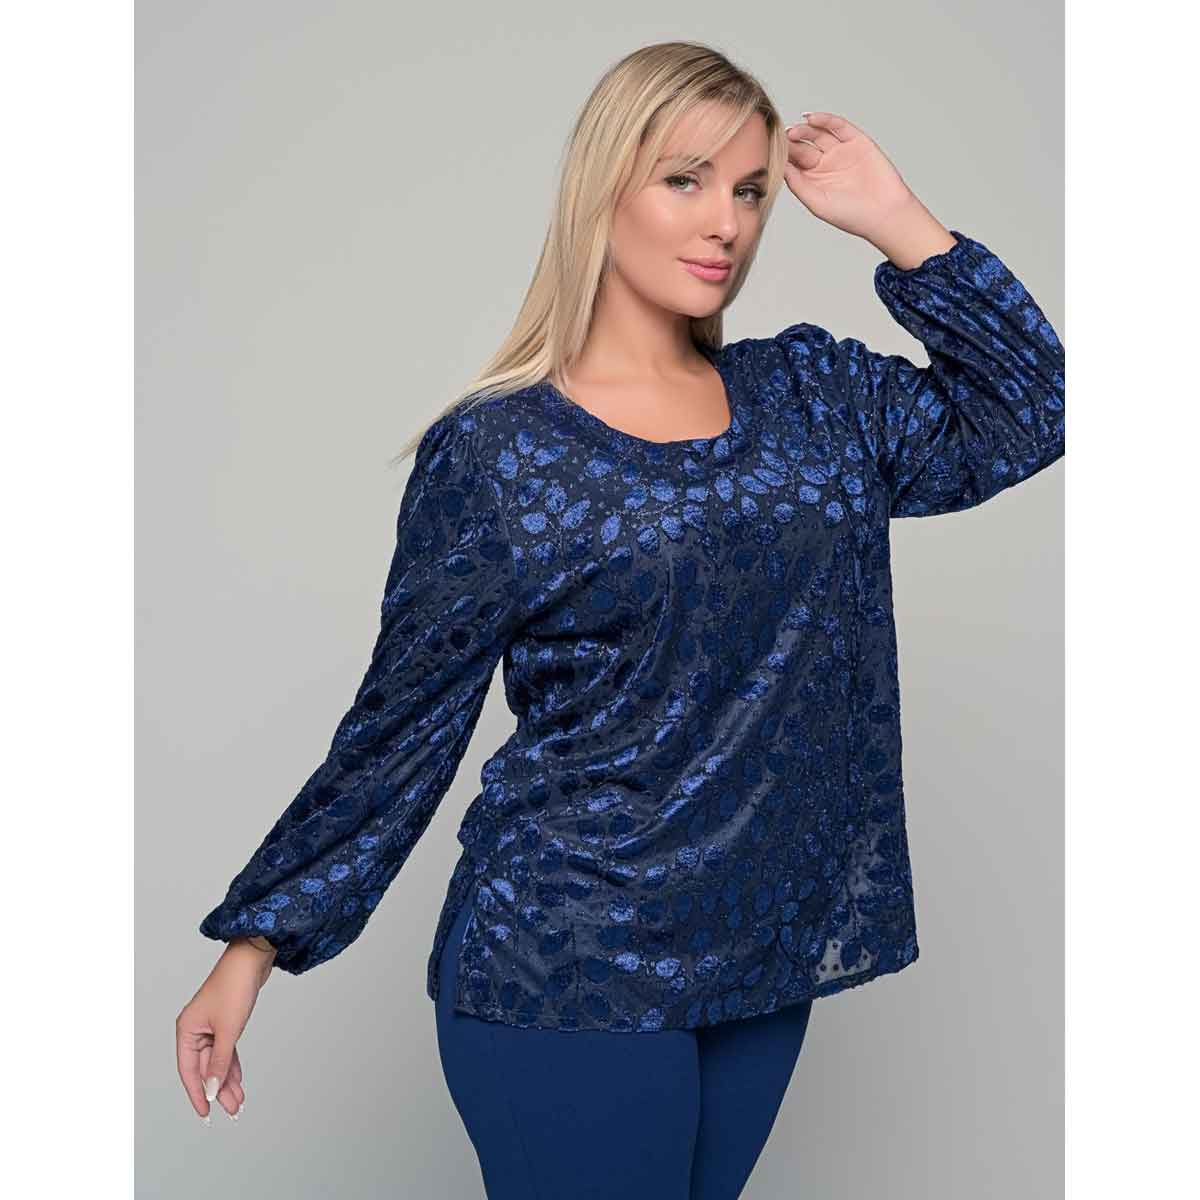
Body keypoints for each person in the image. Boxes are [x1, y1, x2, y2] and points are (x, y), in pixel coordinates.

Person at [176, 41, 1064, 1199]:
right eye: (685, 180)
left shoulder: (819, 400)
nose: (727, 223)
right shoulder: (500, 453)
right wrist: (256, 945)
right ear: (603, 191)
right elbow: (402, 727)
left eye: (750, 191)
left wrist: (898, 220)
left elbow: (1036, 411)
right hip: (568, 965)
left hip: (759, 958)